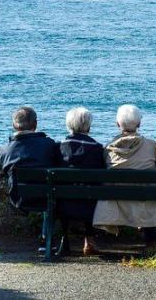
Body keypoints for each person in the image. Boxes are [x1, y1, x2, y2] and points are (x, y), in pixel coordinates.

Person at [92, 104, 156, 253]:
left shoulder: (108, 148)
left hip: (116, 202)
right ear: (139, 124)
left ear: (117, 124)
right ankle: (151, 243)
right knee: (150, 192)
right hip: (146, 200)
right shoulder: (151, 145)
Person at [58, 107, 106, 256]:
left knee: (66, 191)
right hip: (90, 203)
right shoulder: (97, 149)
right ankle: (89, 240)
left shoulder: (58, 147)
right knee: (89, 190)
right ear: (89, 127)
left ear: (68, 125)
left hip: (62, 202)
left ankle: (64, 239)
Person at [0, 106, 63, 210]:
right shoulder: (49, 144)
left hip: (19, 199)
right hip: (47, 197)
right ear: (35, 124)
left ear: (13, 125)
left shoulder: (5, 149)